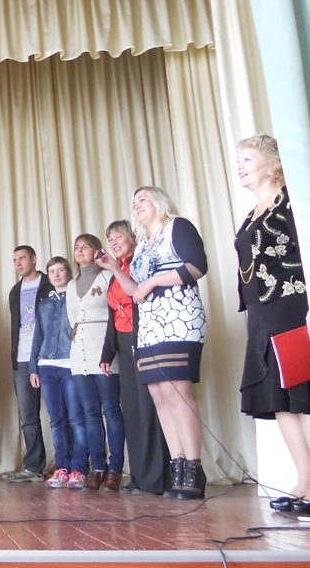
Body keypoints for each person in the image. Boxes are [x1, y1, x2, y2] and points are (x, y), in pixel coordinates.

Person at [97, 186, 208, 499]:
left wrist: (155, 281)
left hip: (178, 321)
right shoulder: (144, 243)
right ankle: (178, 467)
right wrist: (113, 268)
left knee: (178, 393)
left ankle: (194, 469)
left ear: (159, 202)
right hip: (149, 327)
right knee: (160, 396)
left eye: (142, 199)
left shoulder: (177, 227)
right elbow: (135, 291)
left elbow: (197, 266)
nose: (137, 205)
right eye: (133, 203)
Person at [234, 135, 310, 514]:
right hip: (262, 313)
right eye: (239, 160)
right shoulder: (252, 213)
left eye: (248, 158)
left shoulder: (292, 201)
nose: (240, 165)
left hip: (292, 306)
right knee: (281, 400)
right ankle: (305, 481)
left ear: (273, 164)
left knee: (303, 395)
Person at [99, 221, 169, 495]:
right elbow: (112, 315)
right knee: (132, 410)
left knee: (149, 407)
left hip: (143, 340)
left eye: (118, 236)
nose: (114, 242)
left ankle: (157, 478)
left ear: (131, 237)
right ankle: (139, 476)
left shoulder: (140, 264)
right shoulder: (115, 272)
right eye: (110, 238)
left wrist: (141, 346)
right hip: (124, 344)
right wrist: (107, 353)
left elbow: (144, 303)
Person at [67, 233, 124, 491]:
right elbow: (72, 317)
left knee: (110, 408)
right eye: (77, 247)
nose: (80, 251)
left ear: (97, 250)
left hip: (104, 349)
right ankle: (97, 467)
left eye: (86, 246)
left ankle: (115, 468)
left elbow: (116, 311)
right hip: (79, 353)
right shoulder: (71, 284)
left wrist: (109, 350)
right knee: (89, 412)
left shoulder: (109, 276)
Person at [29, 257, 88, 488]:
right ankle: (61, 467)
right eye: (52, 271)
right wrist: (33, 367)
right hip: (47, 366)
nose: (56, 274)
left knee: (76, 418)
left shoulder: (77, 300)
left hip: (70, 364)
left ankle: (79, 468)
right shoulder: (44, 304)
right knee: (56, 420)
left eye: (60, 270)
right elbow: (38, 337)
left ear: (68, 273)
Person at [6, 245, 51, 483]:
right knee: (28, 418)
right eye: (15, 260)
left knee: (60, 414)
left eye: (22, 258)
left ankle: (71, 467)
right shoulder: (15, 291)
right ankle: (34, 467)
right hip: (22, 360)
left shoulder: (49, 283)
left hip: (49, 356)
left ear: (34, 259)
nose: (18, 263)